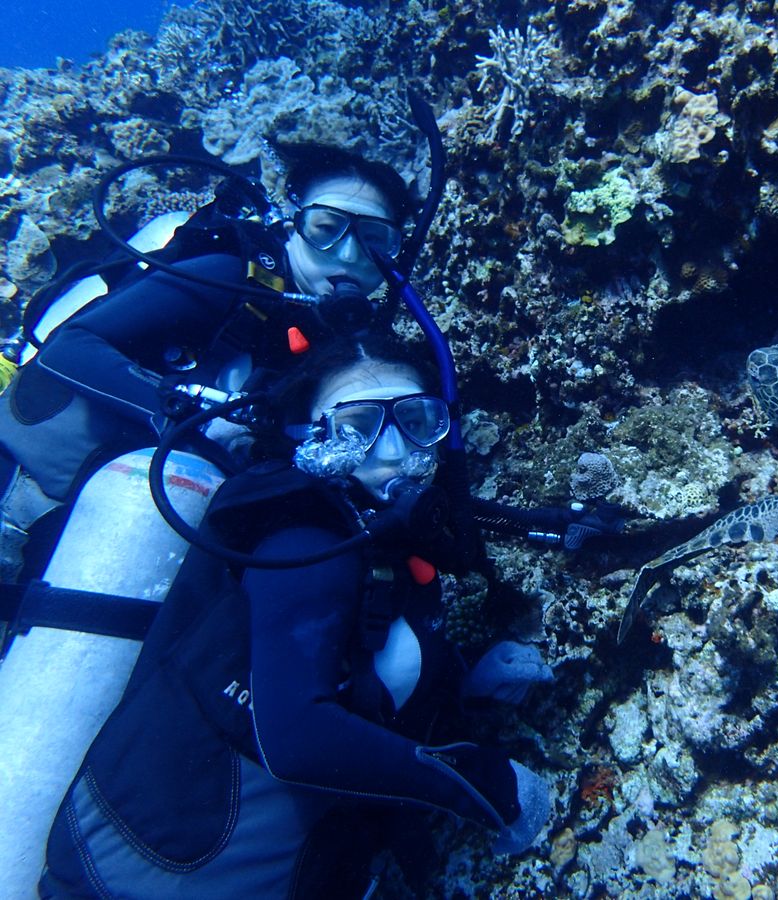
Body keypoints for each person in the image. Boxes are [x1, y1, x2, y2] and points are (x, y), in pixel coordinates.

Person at [39, 338, 553, 898]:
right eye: (356, 427)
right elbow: (297, 736)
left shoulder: (376, 541)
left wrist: (465, 682)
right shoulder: (304, 544)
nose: (393, 451)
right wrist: (484, 784)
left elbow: (356, 677)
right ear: (310, 439)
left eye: (416, 421)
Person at [0, 143, 416, 577]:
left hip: (111, 532)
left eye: (374, 240)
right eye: (326, 228)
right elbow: (69, 347)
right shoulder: (228, 277)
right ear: (292, 226)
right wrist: (187, 414)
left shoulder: (339, 341)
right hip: (24, 487)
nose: (348, 254)